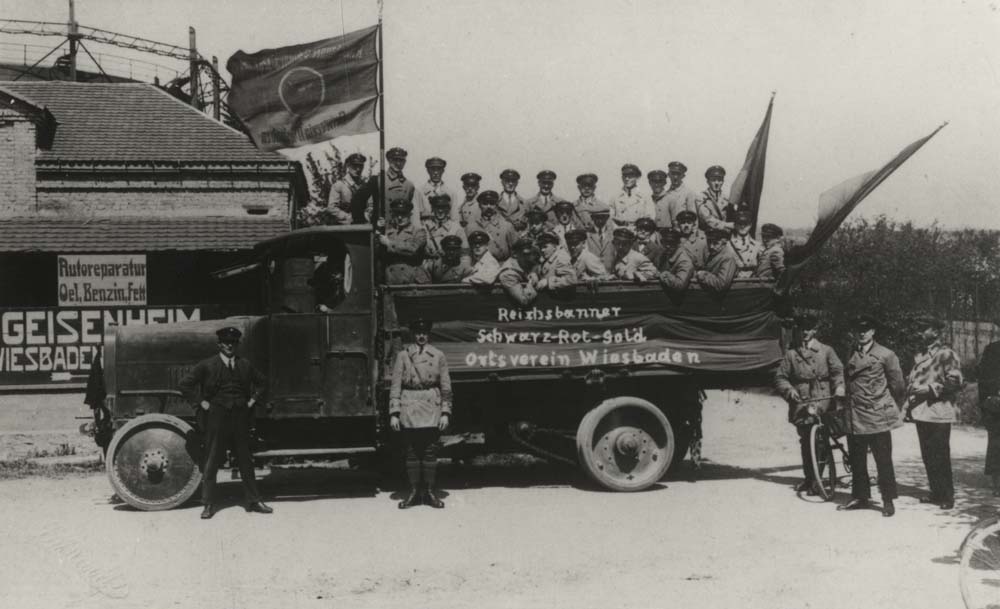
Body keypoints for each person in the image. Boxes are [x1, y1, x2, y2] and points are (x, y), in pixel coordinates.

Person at [178, 327, 272, 520]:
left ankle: (254, 501)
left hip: (240, 418)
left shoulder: (245, 365)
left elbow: (262, 382)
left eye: (233, 343)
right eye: (226, 343)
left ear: (237, 345)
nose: (230, 346)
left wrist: (252, 401)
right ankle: (208, 504)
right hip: (216, 418)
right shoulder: (207, 365)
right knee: (212, 460)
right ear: (219, 345)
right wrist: (201, 403)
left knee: (245, 460)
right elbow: (185, 384)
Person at [774, 315, 846, 496]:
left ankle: (817, 480)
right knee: (806, 441)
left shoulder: (826, 350)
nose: (805, 333)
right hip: (802, 401)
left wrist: (839, 387)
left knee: (820, 441)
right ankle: (809, 479)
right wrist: (790, 390)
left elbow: (838, 371)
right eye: (802, 329)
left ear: (815, 330)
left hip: (823, 397)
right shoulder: (791, 354)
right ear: (797, 331)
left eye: (809, 329)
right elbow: (780, 377)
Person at [842, 315, 905, 516]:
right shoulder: (849, 353)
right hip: (855, 414)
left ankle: (888, 500)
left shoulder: (886, 354)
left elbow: (898, 385)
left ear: (873, 332)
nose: (862, 333)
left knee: (883, 460)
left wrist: (890, 407)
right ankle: (861, 496)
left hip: (877, 414)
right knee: (857, 458)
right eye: (859, 330)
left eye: (866, 329)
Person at [390, 319, 452, 509]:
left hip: (431, 406)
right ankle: (414, 492)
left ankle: (430, 492)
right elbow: (396, 386)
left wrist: (445, 412)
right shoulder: (403, 356)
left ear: (429, 334)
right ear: (412, 335)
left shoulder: (438, 355)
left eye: (424, 332)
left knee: (430, 451)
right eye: (418, 333)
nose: (421, 336)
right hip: (409, 405)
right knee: (411, 452)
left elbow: (446, 386)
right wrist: (394, 412)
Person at [906, 317, 963, 510]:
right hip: (922, 412)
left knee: (940, 455)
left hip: (939, 412)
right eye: (919, 328)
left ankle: (947, 495)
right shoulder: (920, 355)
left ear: (936, 332)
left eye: (924, 329)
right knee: (928, 454)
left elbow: (955, 382)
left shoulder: (946, 354)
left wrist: (930, 389)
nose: (919, 332)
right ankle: (936, 492)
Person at [379, 199, 430, 285]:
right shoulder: (388, 232)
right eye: (397, 214)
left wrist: (389, 243)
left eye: (403, 214)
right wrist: (377, 232)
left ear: (410, 214)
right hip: (391, 279)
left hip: (412, 279)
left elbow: (413, 249)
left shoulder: (419, 232)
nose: (399, 217)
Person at [465, 190, 520, 262]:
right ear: (479, 205)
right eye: (485, 203)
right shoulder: (471, 227)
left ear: (496, 205)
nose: (488, 206)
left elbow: (517, 250)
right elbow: (466, 253)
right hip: (478, 267)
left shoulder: (506, 226)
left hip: (500, 266)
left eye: (492, 203)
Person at [979, 341, 1000, 496]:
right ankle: (998, 482)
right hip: (997, 403)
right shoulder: (993, 349)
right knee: (996, 442)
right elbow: (984, 378)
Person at [384, 147, 426, 226]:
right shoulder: (380, 180)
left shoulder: (408, 185)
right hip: (384, 226)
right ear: (389, 160)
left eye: (401, 160)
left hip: (402, 228)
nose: (398, 163)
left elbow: (412, 211)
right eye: (395, 160)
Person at [327, 153, 372, 225]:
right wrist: (347, 216)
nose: (358, 169)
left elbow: (370, 205)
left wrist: (367, 214)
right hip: (345, 226)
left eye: (361, 166)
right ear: (348, 166)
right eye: (355, 166)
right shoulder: (339, 185)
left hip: (363, 223)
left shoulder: (365, 185)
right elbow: (331, 208)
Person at [423, 194, 468, 260]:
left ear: (448, 209)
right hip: (429, 267)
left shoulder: (457, 229)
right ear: (432, 209)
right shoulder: (424, 228)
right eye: (437, 207)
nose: (440, 211)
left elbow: (465, 253)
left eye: (443, 208)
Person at [610, 164, 655, 228]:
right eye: (624, 176)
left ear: (637, 177)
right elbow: (610, 218)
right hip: (620, 233)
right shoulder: (615, 197)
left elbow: (650, 218)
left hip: (638, 232)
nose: (627, 179)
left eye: (630, 176)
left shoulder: (645, 196)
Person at [496, 240, 540, 305]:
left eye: (530, 253)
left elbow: (531, 266)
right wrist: (532, 285)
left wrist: (532, 273)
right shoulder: (508, 274)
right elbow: (524, 300)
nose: (529, 258)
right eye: (525, 254)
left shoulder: (519, 262)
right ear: (515, 254)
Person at [694, 228, 738, 293]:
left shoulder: (728, 258)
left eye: (715, 243)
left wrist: (702, 275)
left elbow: (721, 284)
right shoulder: (713, 254)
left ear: (724, 243)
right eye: (709, 242)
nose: (711, 246)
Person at [419, 157, 459, 224]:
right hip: (426, 229)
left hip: (446, 230)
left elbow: (454, 218)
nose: (436, 173)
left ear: (443, 171)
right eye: (432, 169)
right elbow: (416, 219)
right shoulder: (419, 192)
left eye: (439, 169)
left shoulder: (451, 193)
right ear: (428, 171)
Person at [695, 165, 734, 232]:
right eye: (713, 180)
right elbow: (707, 219)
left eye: (719, 180)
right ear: (708, 182)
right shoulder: (701, 198)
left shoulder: (727, 198)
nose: (716, 183)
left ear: (723, 182)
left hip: (724, 235)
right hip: (708, 235)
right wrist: (727, 225)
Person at [657, 228, 694, 294]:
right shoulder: (665, 254)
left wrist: (664, 275)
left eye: (671, 243)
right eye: (665, 242)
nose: (668, 246)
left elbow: (680, 285)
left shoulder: (684, 261)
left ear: (678, 243)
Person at [730, 212, 763, 279]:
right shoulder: (728, 245)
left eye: (746, 224)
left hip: (752, 282)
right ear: (735, 225)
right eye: (740, 224)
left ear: (750, 225)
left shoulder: (757, 245)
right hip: (734, 282)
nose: (742, 226)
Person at [586, 204, 618, 274]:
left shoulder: (614, 235)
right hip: (592, 277)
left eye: (603, 217)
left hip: (611, 277)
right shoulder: (587, 235)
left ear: (607, 217)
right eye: (597, 217)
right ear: (592, 218)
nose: (600, 220)